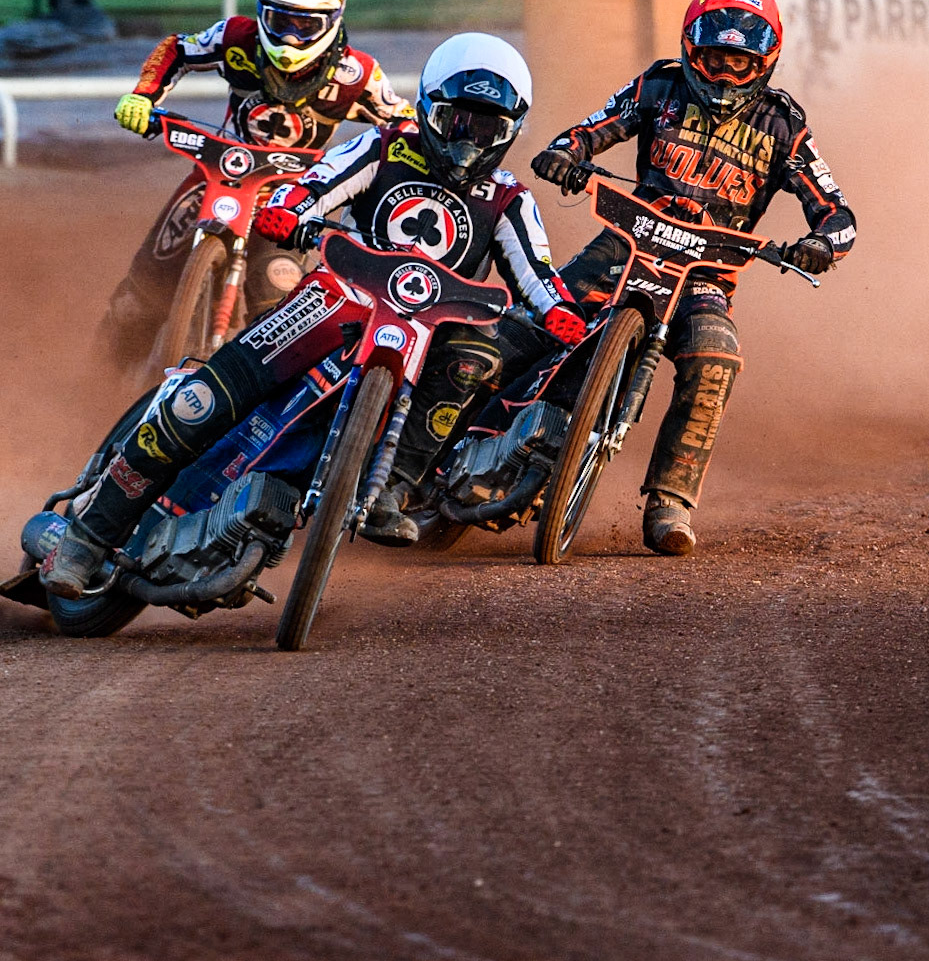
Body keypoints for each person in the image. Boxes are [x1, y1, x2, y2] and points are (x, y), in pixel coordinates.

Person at [46, 34, 586, 597]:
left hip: (426, 337)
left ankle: (391, 489)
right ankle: (86, 536)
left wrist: (562, 316)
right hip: (332, 303)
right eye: (456, 122)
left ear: (511, 134)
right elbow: (310, 187)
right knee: (200, 400)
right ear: (427, 105)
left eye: (488, 130)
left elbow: (539, 276)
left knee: (475, 357)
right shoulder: (382, 147)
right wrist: (287, 212)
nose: (467, 144)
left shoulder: (509, 198)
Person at [530, 0, 855, 556]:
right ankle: (451, 439)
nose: (725, 74)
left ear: (766, 61)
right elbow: (587, 131)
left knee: (716, 355)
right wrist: (564, 155)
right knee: (537, 316)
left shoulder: (784, 127)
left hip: (706, 274)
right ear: (689, 48)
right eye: (713, 58)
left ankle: (669, 503)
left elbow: (838, 212)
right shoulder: (658, 85)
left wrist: (822, 245)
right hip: (624, 246)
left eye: (740, 61)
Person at [100, 0, 411, 369]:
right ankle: (95, 382)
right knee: (137, 301)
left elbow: (405, 126)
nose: (290, 39)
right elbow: (177, 49)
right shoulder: (236, 38)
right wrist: (143, 96)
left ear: (333, 21)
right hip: (216, 176)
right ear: (261, 14)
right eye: (280, 22)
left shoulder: (357, 75)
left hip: (293, 199)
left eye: (306, 26)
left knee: (281, 314)